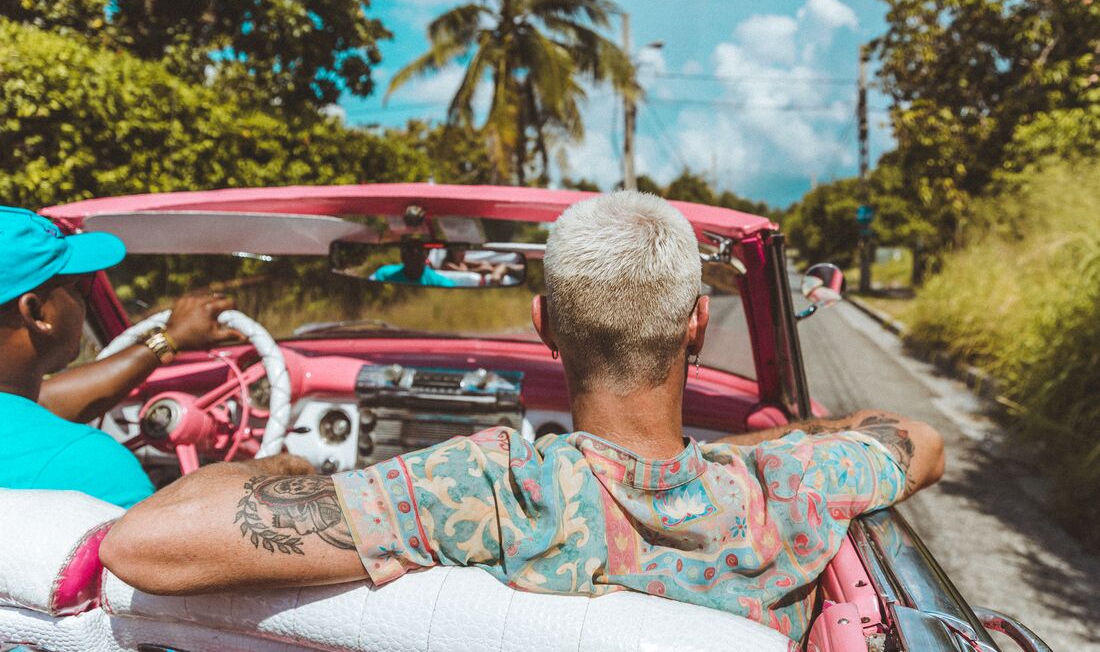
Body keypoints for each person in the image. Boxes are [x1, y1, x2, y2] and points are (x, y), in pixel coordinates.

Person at [101, 192, 944, 641]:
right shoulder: (791, 487)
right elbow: (921, 442)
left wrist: (283, 465)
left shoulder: (485, 488)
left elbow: (141, 545)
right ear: (697, 324)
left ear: (544, 324)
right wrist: (770, 446)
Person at [0, 206, 239, 507]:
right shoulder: (91, 469)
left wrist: (169, 339)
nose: (81, 300)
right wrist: (258, 475)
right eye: (77, 287)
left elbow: (39, 405)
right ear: (37, 312)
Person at [369, 240, 456, 287]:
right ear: (402, 256)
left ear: (426, 255)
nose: (412, 255)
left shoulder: (440, 284)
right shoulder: (384, 275)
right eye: (407, 250)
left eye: (418, 251)